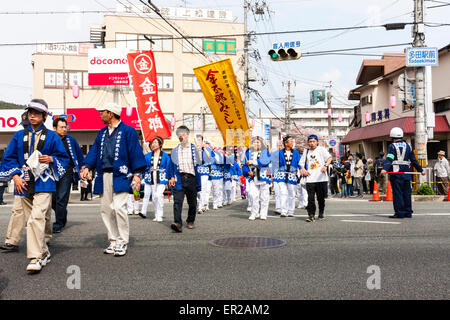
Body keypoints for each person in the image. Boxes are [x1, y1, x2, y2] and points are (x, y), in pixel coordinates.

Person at [0, 99, 69, 273]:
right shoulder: (18, 135)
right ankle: (44, 252)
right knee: (33, 220)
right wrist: (15, 176)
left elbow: (64, 159)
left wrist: (52, 159)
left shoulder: (52, 136)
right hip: (23, 183)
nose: (32, 115)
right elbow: (8, 159)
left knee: (36, 218)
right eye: (30, 112)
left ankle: (36, 257)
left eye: (36, 113)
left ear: (44, 116)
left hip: (44, 182)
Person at [80, 102, 146, 257]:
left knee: (119, 207)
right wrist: (87, 166)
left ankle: (122, 241)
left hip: (122, 175)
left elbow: (135, 153)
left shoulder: (128, 131)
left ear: (110, 113)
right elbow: (94, 152)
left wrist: (137, 174)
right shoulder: (102, 133)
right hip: (104, 175)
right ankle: (113, 240)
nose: (100, 114)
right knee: (106, 210)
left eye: (102, 112)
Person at [381, 127, 425, 219]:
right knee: (407, 193)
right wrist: (421, 170)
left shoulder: (392, 146)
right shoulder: (408, 146)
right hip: (406, 174)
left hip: (396, 174)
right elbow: (413, 160)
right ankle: (408, 212)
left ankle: (400, 213)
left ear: (392, 137)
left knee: (398, 194)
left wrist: (385, 168)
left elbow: (390, 158)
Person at [51, 118, 85, 233]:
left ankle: (59, 223)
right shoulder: (50, 139)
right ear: (54, 128)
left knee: (62, 198)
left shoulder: (71, 140)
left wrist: (83, 169)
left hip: (67, 172)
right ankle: (62, 214)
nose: (65, 129)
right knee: (52, 199)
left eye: (66, 127)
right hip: (52, 172)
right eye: (62, 127)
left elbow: (79, 156)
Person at [167, 126, 202, 232]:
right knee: (177, 201)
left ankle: (190, 220)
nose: (181, 136)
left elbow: (199, 164)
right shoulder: (175, 150)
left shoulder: (194, 149)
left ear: (187, 135)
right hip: (179, 178)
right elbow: (171, 165)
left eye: (183, 134)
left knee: (192, 202)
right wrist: (171, 177)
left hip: (191, 178)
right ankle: (178, 223)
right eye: (179, 135)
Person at [299, 134, 332, 222]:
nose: (312, 143)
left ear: (317, 142)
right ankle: (311, 215)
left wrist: (325, 165)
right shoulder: (306, 151)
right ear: (308, 143)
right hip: (310, 178)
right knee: (310, 198)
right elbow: (301, 163)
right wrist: (304, 170)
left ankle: (321, 212)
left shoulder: (321, 149)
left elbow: (329, 158)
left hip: (320, 178)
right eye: (310, 141)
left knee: (320, 198)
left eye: (314, 141)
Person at [140, 136, 172, 221]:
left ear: (160, 144)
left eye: (155, 142)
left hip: (161, 177)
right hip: (151, 177)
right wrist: (144, 175)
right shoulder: (147, 156)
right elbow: (144, 167)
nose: (153, 144)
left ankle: (160, 214)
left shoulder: (165, 156)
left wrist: (170, 177)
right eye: (152, 143)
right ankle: (156, 214)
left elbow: (169, 167)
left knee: (158, 195)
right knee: (154, 197)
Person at [242, 136, 271, 220]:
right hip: (252, 177)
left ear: (261, 144)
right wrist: (247, 172)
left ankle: (263, 213)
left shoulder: (264, 152)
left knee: (264, 196)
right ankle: (254, 212)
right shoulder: (248, 153)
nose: (256, 144)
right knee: (252, 194)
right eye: (254, 142)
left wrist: (253, 162)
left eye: (258, 142)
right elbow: (244, 164)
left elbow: (265, 162)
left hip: (263, 176)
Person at [273, 135, 301, 217]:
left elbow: (300, 163)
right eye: (291, 141)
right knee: (283, 192)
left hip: (292, 175)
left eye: (293, 141)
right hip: (281, 174)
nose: (292, 143)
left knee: (292, 193)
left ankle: (291, 211)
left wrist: (302, 169)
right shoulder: (279, 152)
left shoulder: (296, 152)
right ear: (286, 143)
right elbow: (273, 161)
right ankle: (284, 210)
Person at [196, 136, 212, 213]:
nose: (198, 141)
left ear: (202, 141)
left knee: (203, 189)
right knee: (197, 191)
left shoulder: (206, 149)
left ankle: (201, 207)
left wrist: (204, 149)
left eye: (199, 140)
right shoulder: (194, 149)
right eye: (197, 140)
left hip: (204, 171)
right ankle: (204, 203)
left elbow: (209, 158)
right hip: (196, 172)